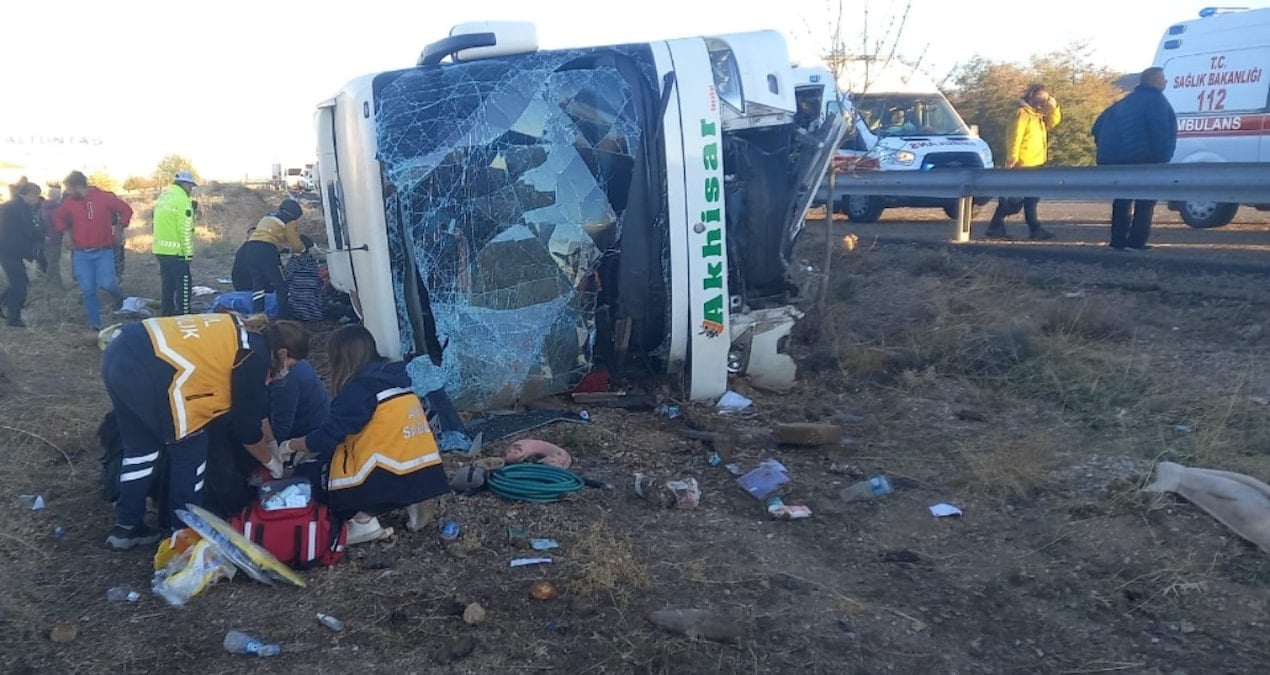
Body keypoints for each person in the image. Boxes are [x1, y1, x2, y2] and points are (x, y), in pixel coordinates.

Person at [100, 313, 295, 550]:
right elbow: (246, 429)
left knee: (141, 449)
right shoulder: (255, 356)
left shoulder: (241, 328)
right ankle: (182, 533)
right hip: (151, 369)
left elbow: (253, 408)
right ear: (282, 354)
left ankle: (126, 527)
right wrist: (271, 462)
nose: (287, 372)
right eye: (291, 365)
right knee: (191, 448)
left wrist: (271, 444)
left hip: (120, 350)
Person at [278, 325, 448, 546]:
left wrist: (292, 446)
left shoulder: (359, 390)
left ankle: (363, 519)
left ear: (341, 358)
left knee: (313, 477)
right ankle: (412, 497)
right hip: (425, 469)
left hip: (387, 472)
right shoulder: (396, 379)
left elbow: (329, 436)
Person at [1092, 67, 1178, 251]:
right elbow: (1161, 133)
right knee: (1145, 201)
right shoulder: (1157, 102)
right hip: (1145, 161)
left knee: (1122, 199)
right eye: (1163, 79)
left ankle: (1117, 241)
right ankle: (1136, 242)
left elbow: (1097, 126)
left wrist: (1110, 150)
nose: (1165, 82)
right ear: (1154, 81)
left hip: (1118, 162)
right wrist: (1163, 159)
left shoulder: (1124, 102)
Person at [53, 171, 133, 330]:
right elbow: (58, 217)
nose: (67, 192)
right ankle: (95, 324)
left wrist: (119, 228)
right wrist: (66, 232)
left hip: (103, 250)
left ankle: (118, 297)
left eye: (69, 188)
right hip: (81, 253)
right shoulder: (70, 202)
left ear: (78, 186)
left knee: (107, 283)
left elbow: (126, 210)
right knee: (88, 289)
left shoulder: (104, 197)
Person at [986, 84, 1061, 241]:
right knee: (1016, 200)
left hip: (1037, 162)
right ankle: (998, 226)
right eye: (1040, 98)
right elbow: (1014, 136)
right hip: (1024, 163)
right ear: (1031, 96)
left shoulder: (1038, 116)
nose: (1043, 101)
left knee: (1031, 198)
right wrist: (1012, 157)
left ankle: (1032, 228)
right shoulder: (1022, 114)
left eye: (1046, 98)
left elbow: (1053, 122)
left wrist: (1054, 107)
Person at [236, 198, 306, 319]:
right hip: (266, 250)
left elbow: (268, 235)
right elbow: (296, 245)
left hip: (250, 248)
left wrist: (282, 248)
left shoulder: (268, 217)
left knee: (258, 283)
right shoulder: (289, 220)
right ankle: (282, 317)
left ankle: (257, 315)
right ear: (295, 213)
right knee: (281, 284)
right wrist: (304, 251)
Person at [267, 320, 329, 441]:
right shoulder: (300, 363)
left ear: (282, 354)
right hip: (321, 424)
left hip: (307, 437)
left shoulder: (284, 381)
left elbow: (280, 431)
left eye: (291, 365)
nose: (290, 367)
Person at [153, 171, 198, 316]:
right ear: (184, 184)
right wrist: (188, 253)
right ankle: (184, 315)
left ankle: (166, 313)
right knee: (184, 285)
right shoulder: (182, 200)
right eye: (190, 186)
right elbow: (185, 229)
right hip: (176, 252)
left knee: (167, 284)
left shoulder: (164, 196)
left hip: (161, 249)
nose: (191, 189)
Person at [0, 183, 44, 327]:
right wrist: (41, 235)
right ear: (29, 194)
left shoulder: (10, 205)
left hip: (7, 249)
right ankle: (14, 318)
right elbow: (28, 229)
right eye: (36, 195)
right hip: (11, 250)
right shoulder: (20, 207)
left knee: (18, 281)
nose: (37, 199)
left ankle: (7, 306)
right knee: (20, 284)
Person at [285, 234, 325, 321]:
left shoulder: (293, 261)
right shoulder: (311, 260)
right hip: (315, 306)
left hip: (298, 303)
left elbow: (287, 276)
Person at [38, 186, 64, 287]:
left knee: (50, 261)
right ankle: (52, 283)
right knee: (54, 262)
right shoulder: (57, 209)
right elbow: (59, 224)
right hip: (55, 238)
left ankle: (53, 282)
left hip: (45, 237)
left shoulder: (43, 207)